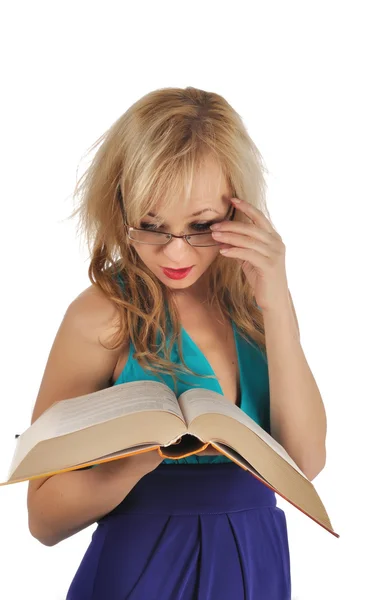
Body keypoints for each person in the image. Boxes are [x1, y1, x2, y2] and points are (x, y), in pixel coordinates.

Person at [27, 86, 327, 599]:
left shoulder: (257, 304)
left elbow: (305, 463)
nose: (174, 251)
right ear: (120, 207)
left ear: (238, 209)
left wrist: (278, 304)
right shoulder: (102, 315)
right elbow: (43, 517)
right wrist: (140, 458)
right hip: (140, 569)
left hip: (256, 565)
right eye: (151, 226)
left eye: (201, 226)